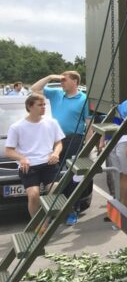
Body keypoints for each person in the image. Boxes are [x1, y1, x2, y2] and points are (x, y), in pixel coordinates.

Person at [31, 71, 91, 225]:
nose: (61, 82)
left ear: (75, 82)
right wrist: (51, 77)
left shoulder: (84, 99)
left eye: (65, 80)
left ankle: (72, 210)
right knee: (55, 176)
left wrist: (89, 146)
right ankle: (56, 210)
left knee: (72, 177)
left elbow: (88, 123)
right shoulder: (57, 94)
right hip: (55, 140)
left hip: (75, 140)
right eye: (60, 80)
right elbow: (34, 88)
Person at [4, 93, 64, 218]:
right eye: (40, 105)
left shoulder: (52, 122)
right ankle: (37, 225)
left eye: (44, 105)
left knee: (55, 190)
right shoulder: (16, 127)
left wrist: (56, 153)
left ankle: (48, 217)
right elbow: (8, 151)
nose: (43, 107)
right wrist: (22, 158)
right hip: (29, 167)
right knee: (33, 195)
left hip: (49, 164)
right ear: (30, 107)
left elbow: (59, 143)